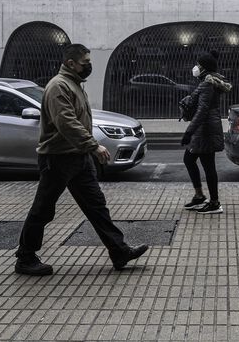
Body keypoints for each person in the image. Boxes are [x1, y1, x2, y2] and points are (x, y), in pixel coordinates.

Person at [15, 43, 147, 277]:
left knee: (96, 206)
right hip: (57, 158)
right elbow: (66, 122)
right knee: (43, 209)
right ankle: (25, 257)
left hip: (77, 157)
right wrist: (93, 145)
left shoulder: (74, 84)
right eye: (85, 63)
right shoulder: (59, 86)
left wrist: (87, 149)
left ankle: (119, 251)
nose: (89, 67)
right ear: (71, 64)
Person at [180, 51, 231, 215]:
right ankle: (199, 195)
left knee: (208, 165)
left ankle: (214, 203)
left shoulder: (207, 85)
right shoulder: (207, 82)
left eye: (199, 65)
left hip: (206, 130)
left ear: (204, 68)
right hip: (204, 129)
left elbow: (202, 111)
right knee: (189, 159)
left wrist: (188, 132)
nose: (196, 67)